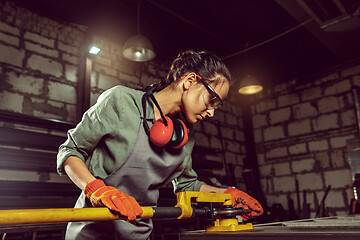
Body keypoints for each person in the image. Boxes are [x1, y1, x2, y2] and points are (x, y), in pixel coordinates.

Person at [57, 50, 263, 239]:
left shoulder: (184, 137)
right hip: (92, 233)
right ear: (190, 80)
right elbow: (70, 151)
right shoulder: (121, 101)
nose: (211, 112)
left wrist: (227, 195)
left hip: (138, 235)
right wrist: (96, 189)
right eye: (211, 100)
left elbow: (187, 185)